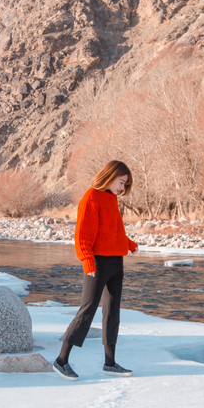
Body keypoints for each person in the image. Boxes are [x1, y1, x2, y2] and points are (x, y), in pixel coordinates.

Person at [53, 160, 139, 380]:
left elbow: (113, 231)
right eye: (121, 182)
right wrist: (87, 261)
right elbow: (83, 235)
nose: (122, 188)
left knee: (112, 312)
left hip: (115, 263)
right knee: (87, 310)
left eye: (125, 184)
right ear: (109, 176)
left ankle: (110, 363)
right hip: (97, 264)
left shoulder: (111, 199)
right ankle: (61, 361)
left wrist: (129, 244)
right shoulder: (91, 197)